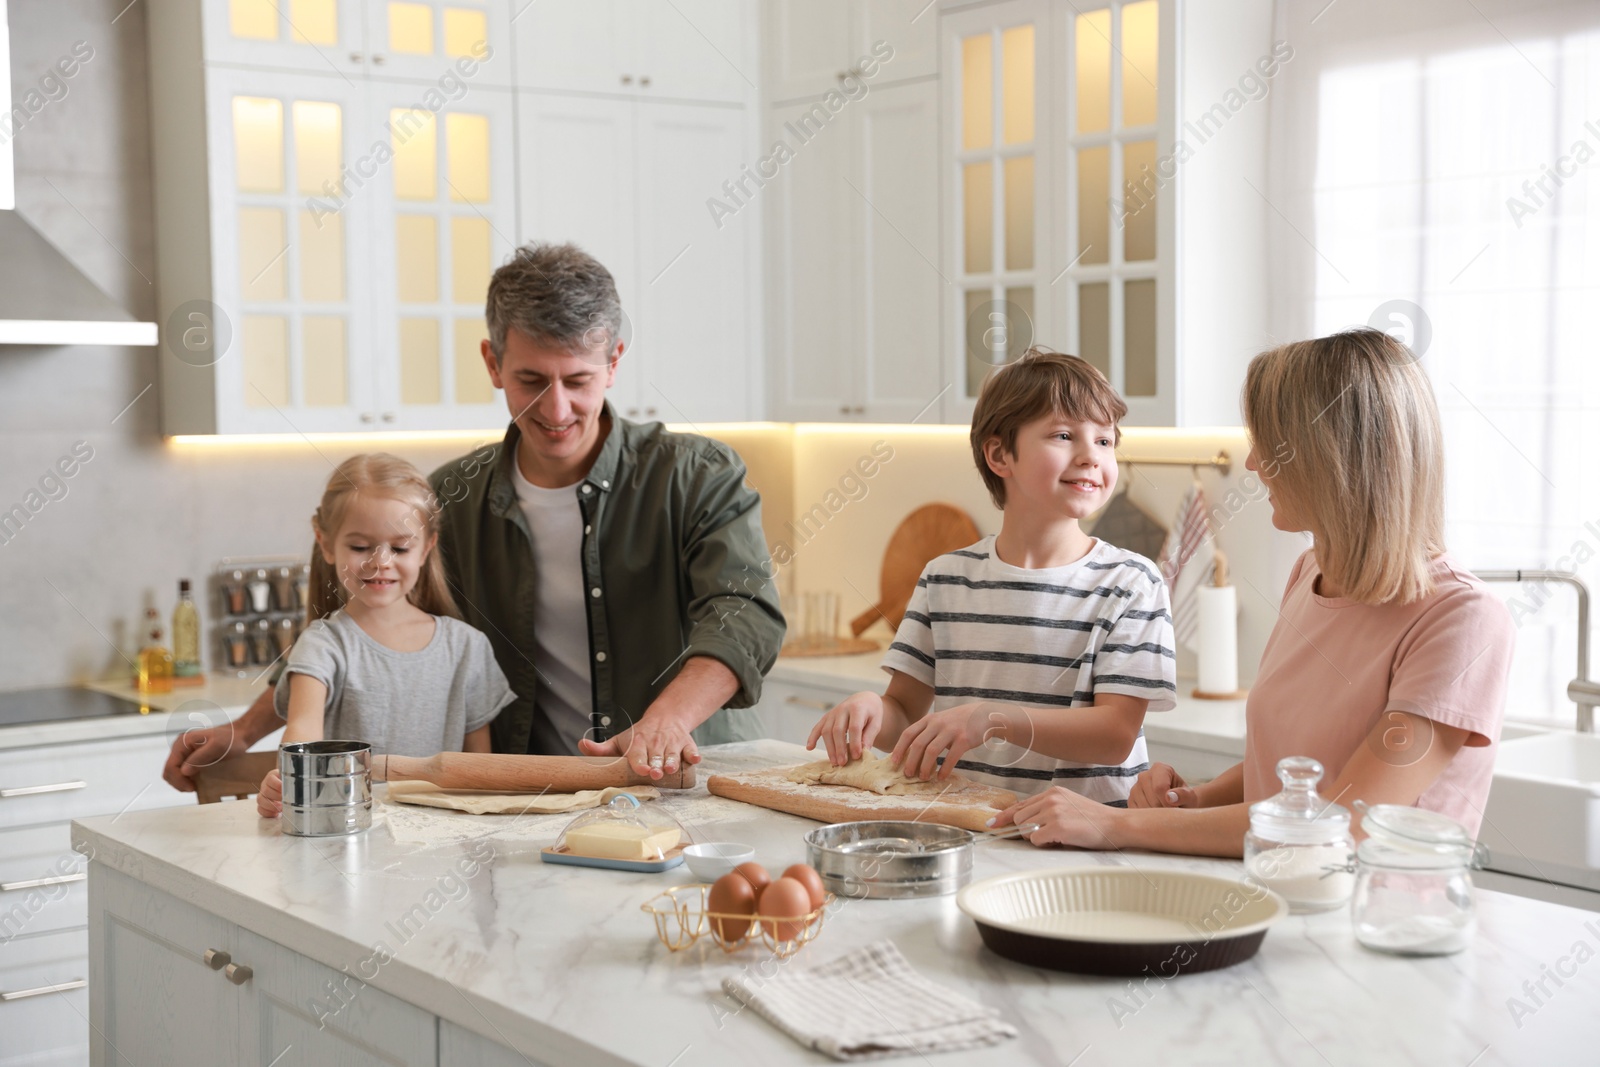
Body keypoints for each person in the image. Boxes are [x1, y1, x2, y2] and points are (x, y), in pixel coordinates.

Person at [165, 243, 784, 792]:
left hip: (697, 784)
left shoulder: (696, 474)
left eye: (579, 379)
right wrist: (242, 733)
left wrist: (667, 718)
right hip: (540, 799)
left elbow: (746, 614)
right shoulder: (452, 501)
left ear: (614, 361)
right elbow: (360, 627)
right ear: (493, 364)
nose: (558, 407)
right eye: (531, 379)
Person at [995, 328, 1516, 852]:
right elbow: (1289, 771)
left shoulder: (1462, 618)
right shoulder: (1310, 573)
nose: (1251, 463)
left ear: (1331, 456)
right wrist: (1196, 800)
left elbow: (1345, 823)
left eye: (1267, 444)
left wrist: (1113, 824)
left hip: (1376, 923)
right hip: (1277, 898)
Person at [807, 348, 1177, 803]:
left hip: (1086, 843)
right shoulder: (944, 580)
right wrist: (872, 710)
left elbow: (1114, 733)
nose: (1090, 456)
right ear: (1000, 455)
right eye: (1064, 435)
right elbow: (904, 711)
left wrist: (990, 718)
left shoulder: (1133, 583)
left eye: (1104, 440)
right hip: (969, 829)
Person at [256, 454, 514, 818]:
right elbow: (303, 729)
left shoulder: (466, 647)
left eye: (400, 547)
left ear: (426, 548)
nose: (380, 561)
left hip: (442, 845)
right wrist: (289, 779)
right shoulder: (323, 645)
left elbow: (477, 769)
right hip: (348, 837)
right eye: (360, 547)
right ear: (326, 543)